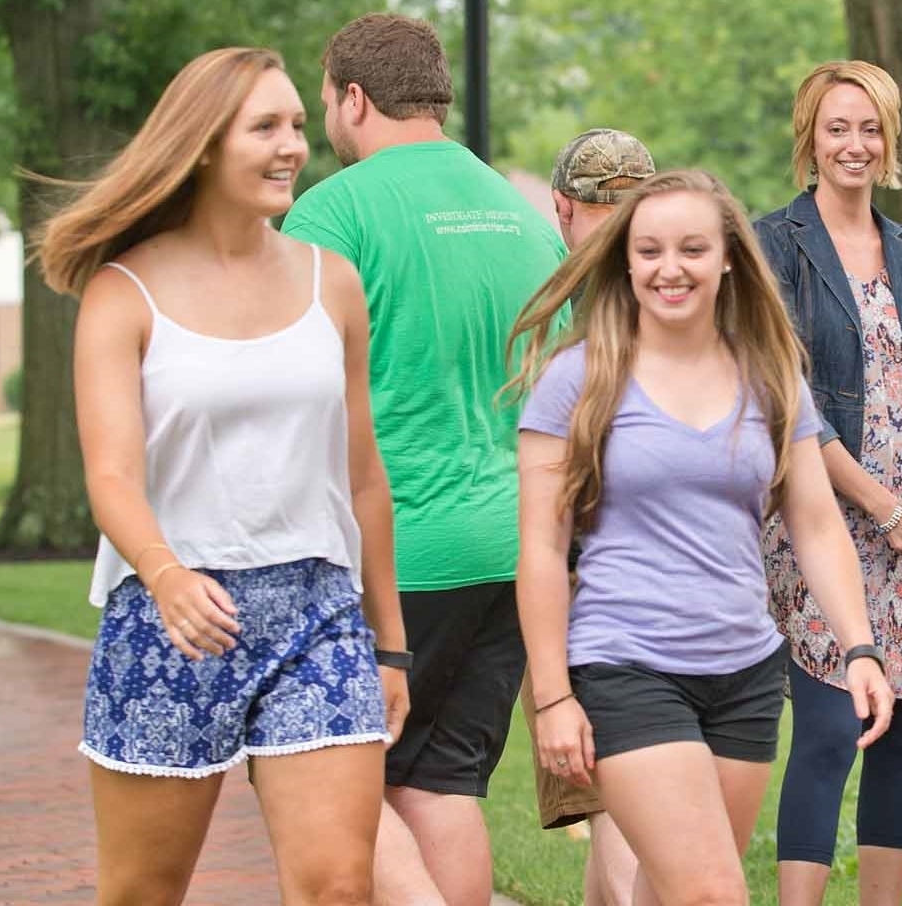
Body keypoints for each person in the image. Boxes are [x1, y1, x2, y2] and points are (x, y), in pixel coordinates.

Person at [55, 47, 408, 905]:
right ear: (204, 144)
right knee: (143, 892)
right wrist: (164, 572)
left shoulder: (334, 283)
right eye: (266, 128)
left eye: (297, 124)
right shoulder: (123, 291)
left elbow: (363, 476)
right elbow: (109, 474)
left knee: (338, 886)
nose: (293, 145)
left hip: (317, 616)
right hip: (173, 618)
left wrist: (388, 642)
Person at [505, 169, 897, 906]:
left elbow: (815, 524)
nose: (668, 268)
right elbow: (540, 550)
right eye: (649, 250)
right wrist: (553, 696)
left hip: (744, 674)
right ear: (626, 260)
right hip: (625, 666)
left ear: (726, 258)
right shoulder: (576, 380)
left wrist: (859, 647)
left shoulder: (771, 377)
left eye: (690, 248)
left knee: (664, 891)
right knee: (713, 894)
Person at [279, 14, 566, 906]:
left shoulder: (333, 210)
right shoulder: (521, 216)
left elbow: (292, 383)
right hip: (510, 547)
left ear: (352, 98)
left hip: (395, 555)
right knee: (441, 785)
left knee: (322, 789)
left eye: (323, 101)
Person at [751, 60, 902, 906]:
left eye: (870, 128)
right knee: (825, 730)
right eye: (837, 127)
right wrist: (881, 508)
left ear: (889, 142)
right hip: (826, 514)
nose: (855, 144)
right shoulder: (773, 245)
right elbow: (788, 403)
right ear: (809, 136)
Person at [518, 126, 657, 906]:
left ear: (562, 209)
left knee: (617, 819)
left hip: (589, 595)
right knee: (621, 822)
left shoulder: (545, 316)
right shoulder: (680, 300)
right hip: (610, 595)